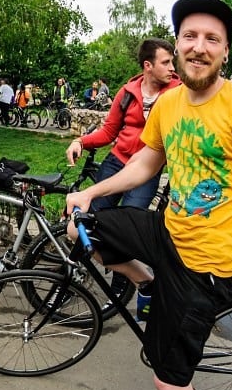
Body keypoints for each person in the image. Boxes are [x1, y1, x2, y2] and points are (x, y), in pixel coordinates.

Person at [66, 0, 232, 390]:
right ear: (177, 44)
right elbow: (145, 162)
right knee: (84, 226)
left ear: (225, 51)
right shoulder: (171, 103)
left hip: (208, 264)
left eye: (212, 39)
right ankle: (145, 278)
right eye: (190, 36)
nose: (198, 47)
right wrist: (90, 192)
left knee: (168, 379)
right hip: (167, 232)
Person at [65, 38, 181, 308]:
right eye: (166, 62)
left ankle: (120, 292)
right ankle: (71, 279)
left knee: (126, 232)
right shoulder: (128, 91)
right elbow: (108, 132)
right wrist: (80, 141)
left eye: (173, 62)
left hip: (147, 170)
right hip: (117, 162)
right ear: (147, 66)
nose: (172, 68)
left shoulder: (178, 93)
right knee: (86, 221)